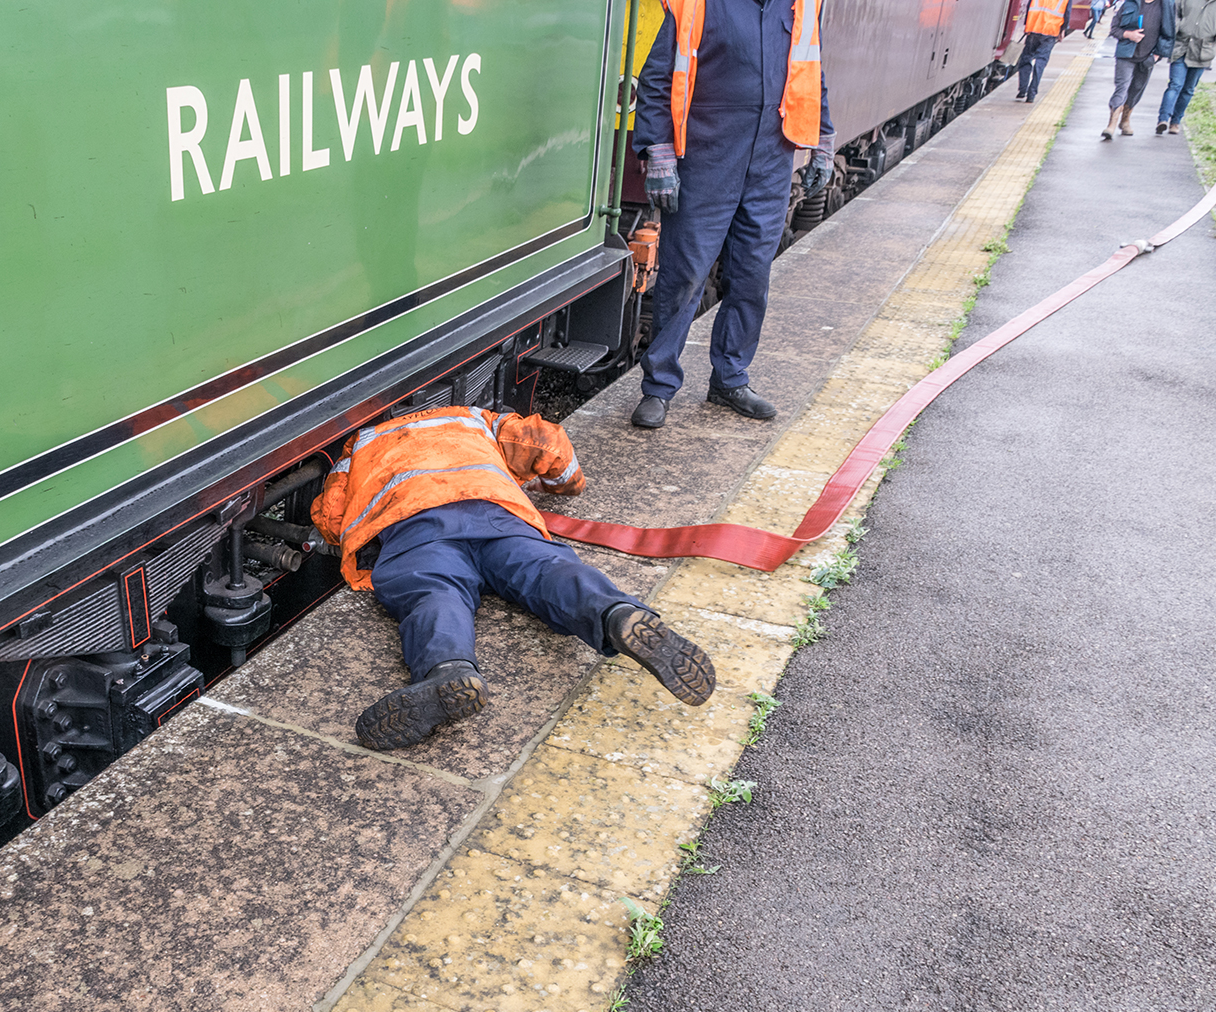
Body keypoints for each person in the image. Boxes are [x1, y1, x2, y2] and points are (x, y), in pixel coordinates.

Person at [309, 405, 717, 749]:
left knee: (434, 596)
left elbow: (331, 513)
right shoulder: (473, 419)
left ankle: (448, 670)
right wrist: (568, 483)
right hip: (495, 515)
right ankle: (616, 614)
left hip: (417, 530)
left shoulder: (360, 444)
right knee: (547, 571)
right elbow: (545, 442)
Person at [626, 0, 835, 429]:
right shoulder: (698, 5)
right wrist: (659, 152)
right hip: (706, 157)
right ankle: (659, 387)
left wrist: (824, 140)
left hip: (770, 161)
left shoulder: (797, 8)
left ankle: (730, 378)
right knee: (685, 275)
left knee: (752, 274)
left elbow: (812, 78)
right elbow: (656, 79)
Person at [1157, 0, 1216, 133]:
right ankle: (1163, 119)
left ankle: (1175, 122)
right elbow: (1174, 10)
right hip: (1181, 46)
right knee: (1175, 84)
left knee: (1189, 89)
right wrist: (1178, 27)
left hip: (1203, 49)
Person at [1103, 0, 1175, 138]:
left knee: (1137, 89)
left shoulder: (1166, 5)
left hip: (1147, 57)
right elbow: (1114, 29)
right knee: (1121, 88)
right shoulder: (1129, 3)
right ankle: (1111, 124)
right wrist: (1129, 35)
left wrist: (1156, 56)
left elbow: (1169, 34)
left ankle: (1125, 121)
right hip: (1126, 55)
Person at [1016, 0, 1073, 104]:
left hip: (1033, 28)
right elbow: (1067, 13)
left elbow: (1029, 6)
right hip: (1050, 31)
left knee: (1026, 58)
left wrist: (1026, 25)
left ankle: (1022, 89)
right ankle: (1031, 94)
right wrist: (1063, 30)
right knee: (1040, 62)